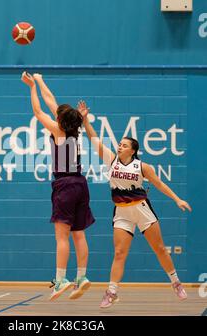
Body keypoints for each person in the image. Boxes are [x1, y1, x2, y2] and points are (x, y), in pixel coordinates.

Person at [78, 101, 192, 308]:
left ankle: (176, 283)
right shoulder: (111, 160)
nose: (119, 145)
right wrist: (85, 120)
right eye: (119, 143)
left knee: (160, 249)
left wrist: (177, 199)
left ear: (132, 150)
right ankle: (111, 292)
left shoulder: (143, 166)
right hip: (121, 213)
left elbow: (159, 184)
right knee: (120, 253)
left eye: (124, 144)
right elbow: (94, 138)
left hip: (142, 210)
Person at [21, 72, 95, 301]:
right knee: (79, 235)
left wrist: (32, 87)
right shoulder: (76, 130)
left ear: (60, 119)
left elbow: (37, 111)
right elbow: (53, 102)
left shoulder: (58, 130)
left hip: (64, 185)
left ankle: (61, 279)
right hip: (81, 184)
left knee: (61, 237)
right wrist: (41, 80)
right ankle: (82, 277)